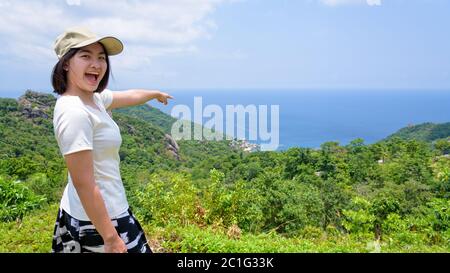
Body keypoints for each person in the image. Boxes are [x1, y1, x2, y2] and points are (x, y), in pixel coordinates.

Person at [50, 26, 173, 253]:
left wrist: (154, 94)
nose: (96, 64)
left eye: (101, 57)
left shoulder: (92, 99)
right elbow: (84, 182)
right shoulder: (74, 111)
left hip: (90, 211)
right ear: (66, 63)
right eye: (86, 56)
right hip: (100, 222)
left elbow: (128, 95)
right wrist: (111, 238)